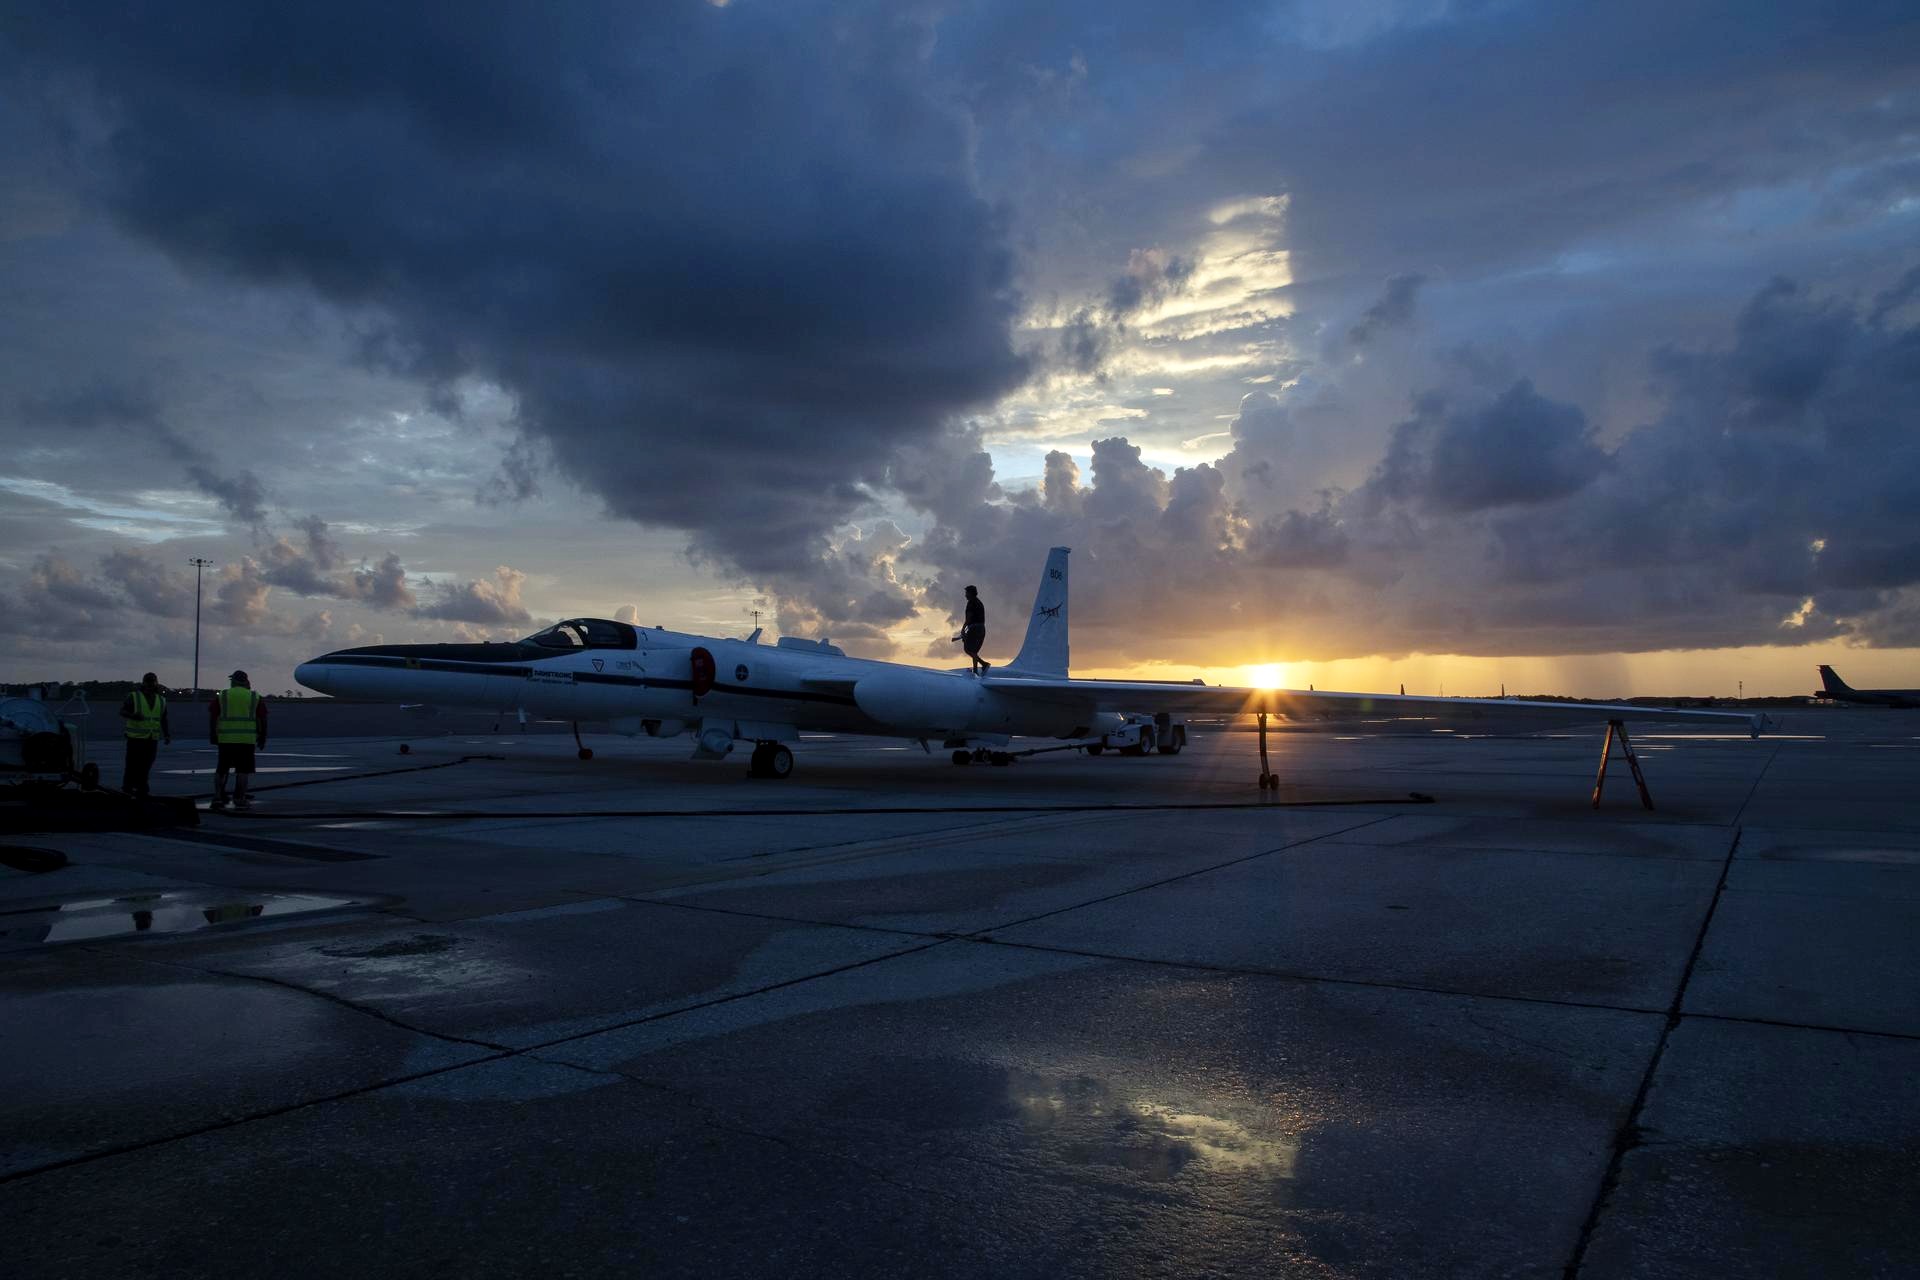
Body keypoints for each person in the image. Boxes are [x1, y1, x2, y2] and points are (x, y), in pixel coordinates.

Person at [208, 669, 267, 811]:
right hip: (246, 740)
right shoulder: (254, 697)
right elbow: (262, 719)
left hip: (225, 739)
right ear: (246, 681)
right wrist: (263, 736)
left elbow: (213, 716)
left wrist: (213, 734)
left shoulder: (223, 695)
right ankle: (240, 799)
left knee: (221, 769)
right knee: (243, 770)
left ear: (234, 680)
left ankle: (217, 798)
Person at [117, 672, 171, 798]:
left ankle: (141, 785)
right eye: (148, 682)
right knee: (132, 764)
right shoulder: (134, 697)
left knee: (147, 763)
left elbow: (163, 718)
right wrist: (132, 716)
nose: (150, 684)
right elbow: (122, 711)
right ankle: (128, 787)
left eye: (152, 682)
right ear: (144, 683)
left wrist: (167, 734)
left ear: (155, 683)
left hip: (152, 737)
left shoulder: (161, 700)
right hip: (135, 737)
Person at [953, 584, 990, 676]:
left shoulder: (971, 603)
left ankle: (983, 664)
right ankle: (976, 671)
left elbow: (969, 619)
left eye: (966, 593)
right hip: (982, 628)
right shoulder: (979, 602)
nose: (965, 595)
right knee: (974, 651)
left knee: (968, 649)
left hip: (974, 628)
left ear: (970, 593)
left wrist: (963, 630)